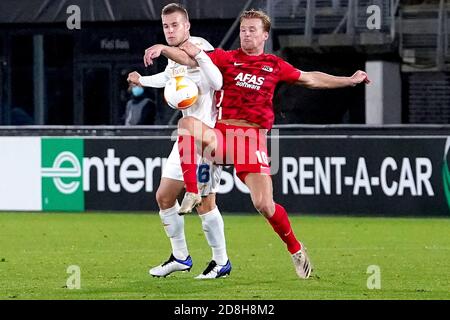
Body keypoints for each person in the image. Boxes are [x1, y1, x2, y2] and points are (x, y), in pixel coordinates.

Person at [143, 9, 370, 279]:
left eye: (252, 30)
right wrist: (165, 49)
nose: (246, 34)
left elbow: (310, 78)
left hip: (252, 140)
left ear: (264, 35)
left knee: (264, 204)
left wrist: (349, 80)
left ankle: (296, 249)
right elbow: (189, 59)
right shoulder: (227, 58)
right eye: (243, 30)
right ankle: (192, 191)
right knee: (187, 125)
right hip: (224, 134)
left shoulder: (274, 65)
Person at [127, 3, 231, 279]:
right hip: (186, 138)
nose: (170, 30)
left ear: (187, 26)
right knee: (164, 196)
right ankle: (181, 257)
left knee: (205, 203)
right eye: (166, 26)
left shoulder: (199, 46)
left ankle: (221, 262)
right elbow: (170, 76)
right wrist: (142, 80)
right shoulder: (174, 57)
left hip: (208, 137)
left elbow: (195, 64)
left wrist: (161, 48)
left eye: (175, 25)